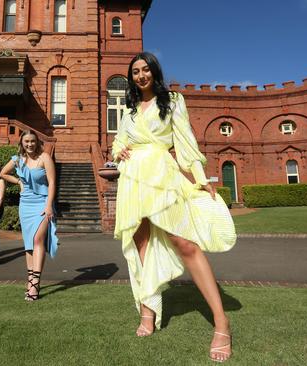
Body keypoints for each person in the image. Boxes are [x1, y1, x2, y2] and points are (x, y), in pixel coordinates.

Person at [112, 52, 237, 362]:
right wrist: (119, 151)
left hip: (163, 176)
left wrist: (200, 177)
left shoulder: (173, 101)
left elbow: (186, 141)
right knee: (141, 246)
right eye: (135, 71)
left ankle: (221, 322)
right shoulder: (128, 110)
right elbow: (118, 141)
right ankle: (147, 311)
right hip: (133, 181)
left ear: (155, 72)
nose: (140, 75)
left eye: (145, 70)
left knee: (185, 243)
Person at [1, 130, 59, 301]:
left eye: (33, 141)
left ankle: (35, 283)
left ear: (37, 142)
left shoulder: (45, 158)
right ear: (22, 142)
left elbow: (53, 182)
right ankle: (30, 279)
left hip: (42, 203)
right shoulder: (17, 159)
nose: (30, 144)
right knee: (29, 244)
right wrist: (18, 181)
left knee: (37, 240)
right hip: (25, 204)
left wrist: (49, 205)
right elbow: (4, 173)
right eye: (26, 141)